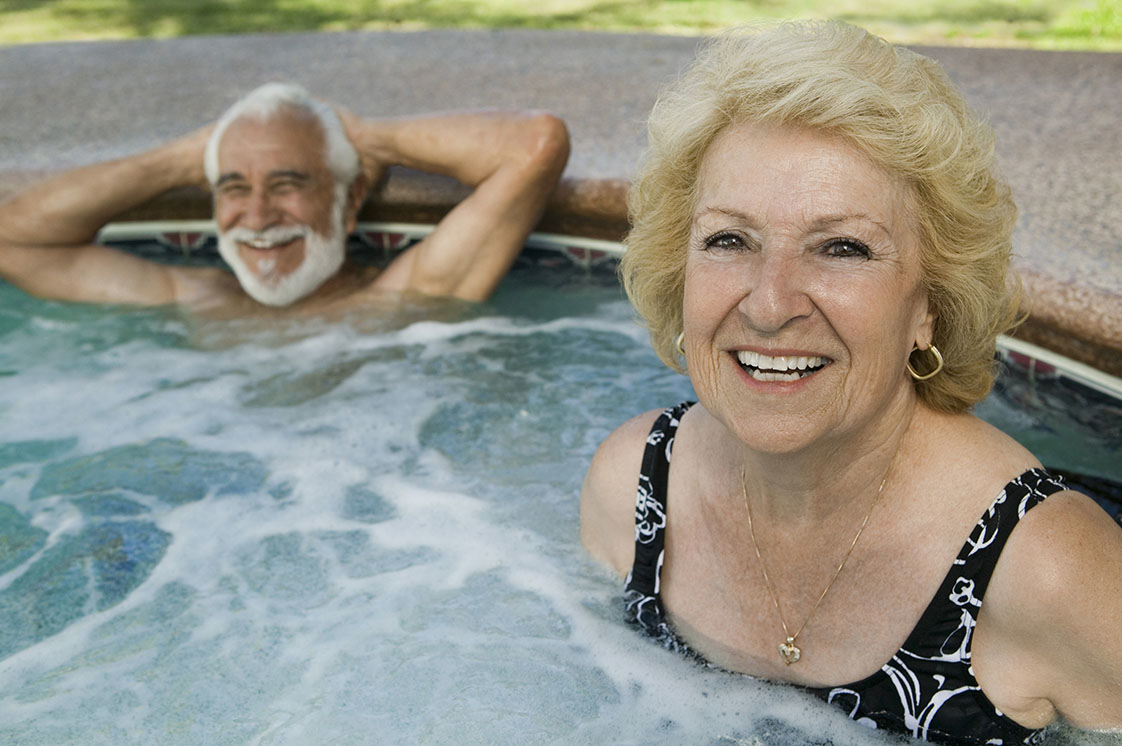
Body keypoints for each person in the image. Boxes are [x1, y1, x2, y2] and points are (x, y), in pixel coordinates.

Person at [580, 21, 1122, 744]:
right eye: (729, 240)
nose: (770, 305)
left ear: (929, 303)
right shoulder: (635, 489)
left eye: (842, 247)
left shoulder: (1050, 574)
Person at [0, 82, 569, 312]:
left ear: (349, 203)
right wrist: (187, 156)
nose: (257, 216)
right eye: (233, 188)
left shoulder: (406, 295)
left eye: (287, 185)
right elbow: (16, 240)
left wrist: (369, 137)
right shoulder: (194, 299)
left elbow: (535, 145)